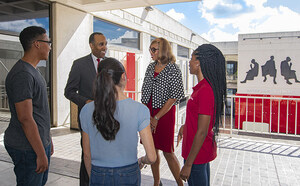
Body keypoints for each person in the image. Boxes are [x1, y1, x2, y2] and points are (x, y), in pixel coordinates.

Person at [80, 58, 156, 185]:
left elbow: (87, 154)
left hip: (98, 173)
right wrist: (142, 160)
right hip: (129, 172)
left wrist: (93, 178)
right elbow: (152, 157)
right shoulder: (140, 110)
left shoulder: (86, 110)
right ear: (123, 77)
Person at [4, 26, 53, 186]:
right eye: (48, 42)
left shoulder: (33, 70)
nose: (50, 47)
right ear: (37, 44)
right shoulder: (23, 75)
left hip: (37, 143)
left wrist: (47, 139)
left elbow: (39, 111)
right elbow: (25, 118)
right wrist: (40, 153)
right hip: (27, 148)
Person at [177, 44, 227, 186]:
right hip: (196, 151)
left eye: (191, 58)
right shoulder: (201, 88)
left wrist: (188, 165)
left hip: (197, 155)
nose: (189, 62)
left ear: (198, 63)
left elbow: (203, 130)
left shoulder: (205, 90)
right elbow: (199, 119)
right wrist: (185, 127)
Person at [64, 32, 107, 186]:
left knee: (104, 154)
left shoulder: (109, 64)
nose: (105, 47)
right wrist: (87, 101)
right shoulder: (79, 64)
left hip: (108, 119)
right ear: (91, 45)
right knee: (87, 155)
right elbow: (68, 91)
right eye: (101, 44)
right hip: (88, 118)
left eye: (105, 44)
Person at [141, 37, 185, 186]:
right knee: (152, 149)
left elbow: (174, 97)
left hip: (164, 114)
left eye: (154, 49)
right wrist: (147, 115)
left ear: (163, 50)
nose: (151, 52)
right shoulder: (150, 67)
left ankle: (180, 183)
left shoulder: (173, 69)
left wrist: (157, 117)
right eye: (150, 49)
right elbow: (146, 91)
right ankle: (156, 182)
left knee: (168, 151)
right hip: (148, 111)